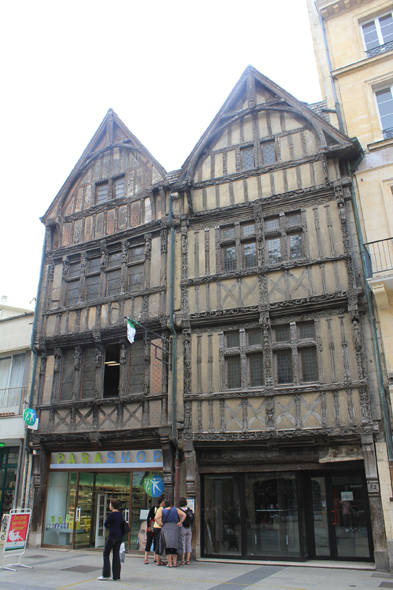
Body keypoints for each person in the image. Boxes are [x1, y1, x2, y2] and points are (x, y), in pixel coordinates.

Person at [98, 499, 123, 581]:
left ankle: (106, 574)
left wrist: (110, 526)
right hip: (119, 536)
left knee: (106, 553)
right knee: (116, 555)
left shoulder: (111, 515)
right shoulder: (120, 514)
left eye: (110, 504)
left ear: (112, 506)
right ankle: (116, 576)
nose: (109, 506)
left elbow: (105, 524)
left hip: (112, 535)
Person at [156, 499, 185, 567]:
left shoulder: (162, 511)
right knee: (175, 545)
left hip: (166, 528)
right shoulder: (175, 509)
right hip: (175, 528)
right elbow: (184, 515)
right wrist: (180, 522)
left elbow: (156, 518)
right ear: (171, 504)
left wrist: (160, 523)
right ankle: (175, 563)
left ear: (164, 505)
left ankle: (169, 563)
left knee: (167, 545)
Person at [144, 495, 165, 564]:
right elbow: (148, 517)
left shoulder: (155, 508)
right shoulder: (159, 508)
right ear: (162, 502)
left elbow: (148, 517)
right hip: (155, 526)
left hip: (153, 526)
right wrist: (149, 526)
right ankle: (147, 558)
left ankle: (154, 557)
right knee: (151, 542)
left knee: (155, 542)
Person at [178, 497, 193, 565]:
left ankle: (183, 560)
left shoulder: (179, 511)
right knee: (188, 544)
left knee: (183, 544)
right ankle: (188, 560)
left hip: (182, 528)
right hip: (189, 528)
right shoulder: (189, 510)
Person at [152, 495, 166, 566]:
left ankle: (158, 559)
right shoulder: (161, 509)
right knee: (159, 543)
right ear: (162, 502)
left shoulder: (155, 508)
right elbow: (156, 517)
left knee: (157, 542)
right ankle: (158, 560)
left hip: (155, 527)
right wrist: (160, 523)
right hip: (159, 527)